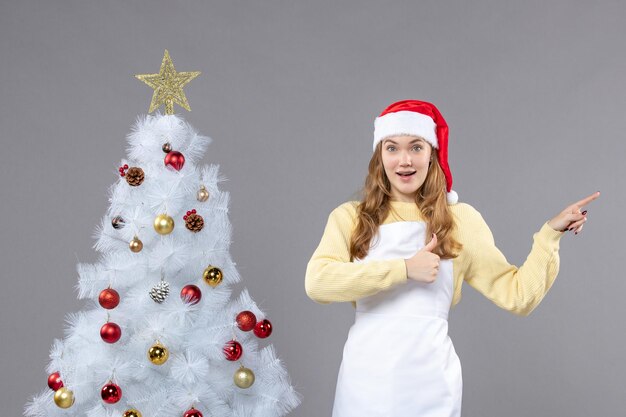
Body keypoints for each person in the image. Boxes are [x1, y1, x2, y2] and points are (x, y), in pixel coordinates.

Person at [304, 99, 600, 417]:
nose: (404, 160)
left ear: (432, 153)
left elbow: (519, 297)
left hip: (430, 383)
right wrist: (403, 269)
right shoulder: (351, 217)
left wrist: (549, 236)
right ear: (380, 156)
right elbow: (317, 283)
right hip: (365, 381)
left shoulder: (459, 220)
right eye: (392, 148)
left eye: (416, 147)